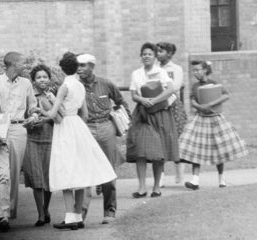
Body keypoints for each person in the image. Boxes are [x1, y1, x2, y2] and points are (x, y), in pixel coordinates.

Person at [36, 52, 116, 230]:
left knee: (66, 173)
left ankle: (70, 218)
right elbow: (85, 114)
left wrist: (40, 108)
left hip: (65, 128)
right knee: (79, 173)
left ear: (62, 68)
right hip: (79, 127)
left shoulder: (64, 86)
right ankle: (78, 217)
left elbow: (52, 113)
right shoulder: (80, 85)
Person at [0, 52, 37, 232]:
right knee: (3, 174)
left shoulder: (26, 83)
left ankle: (9, 212)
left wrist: (34, 116)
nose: (25, 64)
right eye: (22, 61)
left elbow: (32, 106)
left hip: (18, 129)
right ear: (13, 63)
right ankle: (3, 216)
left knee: (13, 175)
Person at [76, 53, 130, 224]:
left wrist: (120, 123)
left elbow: (121, 102)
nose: (79, 68)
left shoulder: (106, 84)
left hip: (106, 127)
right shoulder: (75, 86)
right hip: (86, 128)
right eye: (77, 65)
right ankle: (80, 215)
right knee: (84, 172)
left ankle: (109, 212)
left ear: (92, 66)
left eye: (83, 65)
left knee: (108, 171)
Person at [180, 60, 248, 190]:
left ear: (205, 70)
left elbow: (226, 95)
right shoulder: (195, 86)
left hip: (215, 119)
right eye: (194, 70)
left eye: (197, 70)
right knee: (196, 148)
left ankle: (221, 179)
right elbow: (193, 99)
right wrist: (199, 106)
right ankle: (195, 180)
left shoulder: (215, 84)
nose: (195, 72)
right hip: (201, 119)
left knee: (219, 149)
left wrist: (210, 105)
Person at [126, 42, 179, 198]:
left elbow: (170, 90)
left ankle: (156, 187)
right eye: (144, 54)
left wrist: (154, 100)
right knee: (140, 151)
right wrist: (143, 100)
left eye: (149, 54)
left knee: (158, 151)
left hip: (160, 114)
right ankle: (142, 187)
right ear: (141, 57)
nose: (146, 56)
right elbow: (134, 94)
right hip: (143, 114)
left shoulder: (161, 72)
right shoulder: (136, 73)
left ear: (155, 57)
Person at [22, 64, 54, 227]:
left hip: (50, 140)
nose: (42, 79)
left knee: (48, 179)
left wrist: (45, 115)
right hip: (33, 140)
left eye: (45, 77)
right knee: (37, 179)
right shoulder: (29, 97)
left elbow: (60, 117)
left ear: (49, 79)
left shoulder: (53, 96)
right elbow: (23, 119)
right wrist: (30, 121)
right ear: (33, 81)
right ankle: (41, 215)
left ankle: (46, 209)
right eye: (39, 77)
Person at [156, 42, 188, 186]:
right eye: (157, 51)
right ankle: (160, 176)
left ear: (169, 53)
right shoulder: (154, 68)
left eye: (161, 51)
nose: (158, 54)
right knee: (160, 140)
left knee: (177, 137)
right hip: (158, 106)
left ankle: (179, 174)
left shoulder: (176, 69)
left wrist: (160, 89)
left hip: (173, 105)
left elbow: (175, 86)